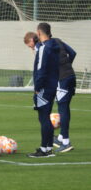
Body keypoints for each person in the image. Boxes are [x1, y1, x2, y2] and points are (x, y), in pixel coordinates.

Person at [27, 23, 61, 158]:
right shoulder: (55, 46)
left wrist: (37, 87)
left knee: (43, 117)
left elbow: (41, 69)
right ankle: (48, 147)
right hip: (53, 85)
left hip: (44, 87)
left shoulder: (44, 48)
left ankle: (44, 149)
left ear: (39, 33)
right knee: (45, 117)